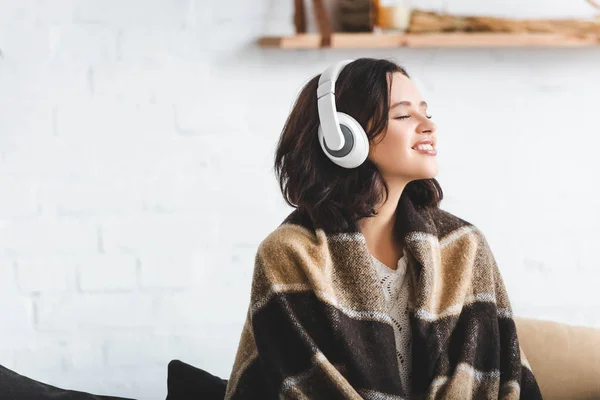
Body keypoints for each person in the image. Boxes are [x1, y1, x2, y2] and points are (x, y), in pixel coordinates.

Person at [224, 58, 542, 399]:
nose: (428, 127)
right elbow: (295, 385)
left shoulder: (464, 246)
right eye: (404, 115)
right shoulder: (289, 253)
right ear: (342, 136)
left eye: (426, 113)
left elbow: (501, 377)